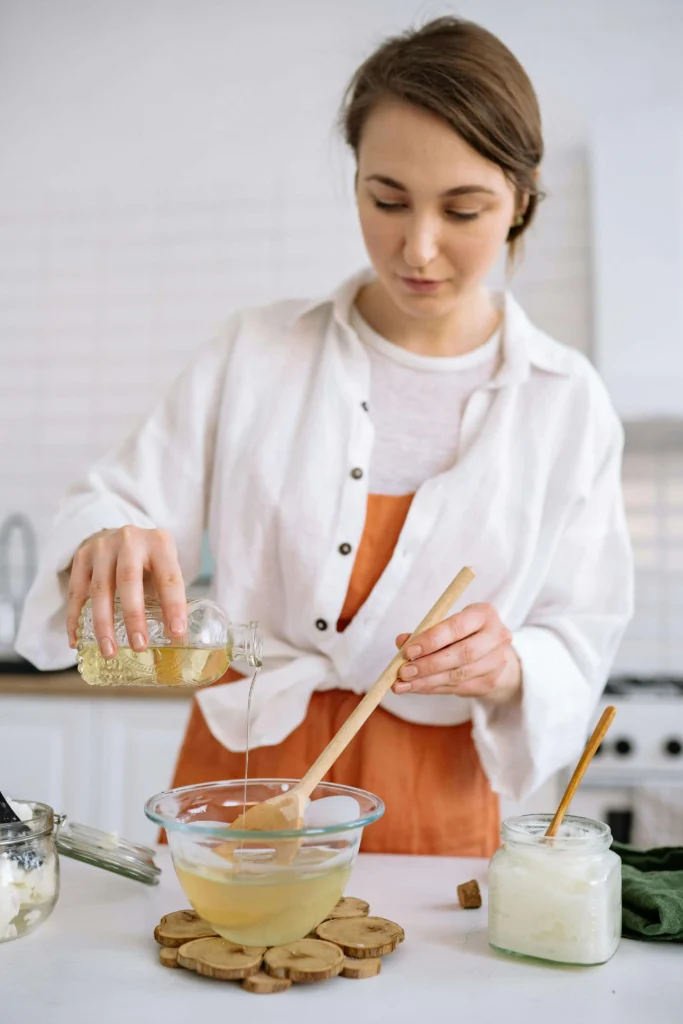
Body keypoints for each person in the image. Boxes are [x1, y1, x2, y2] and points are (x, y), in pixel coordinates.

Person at [17, 17, 633, 857]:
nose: (418, 247)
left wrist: (510, 664)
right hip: (241, 775)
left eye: (462, 209)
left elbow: (580, 630)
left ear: (520, 199)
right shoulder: (257, 352)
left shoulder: (567, 404)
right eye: (387, 200)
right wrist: (107, 536)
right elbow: (114, 499)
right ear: (354, 185)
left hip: (437, 802)